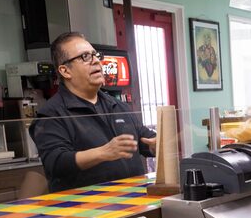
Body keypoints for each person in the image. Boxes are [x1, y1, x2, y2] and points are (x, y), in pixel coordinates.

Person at [30, 32, 156, 192]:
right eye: (85, 57)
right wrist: (104, 152)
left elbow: (144, 139)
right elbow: (56, 162)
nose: (96, 60)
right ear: (65, 71)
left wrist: (158, 143)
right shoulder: (51, 114)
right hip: (85, 209)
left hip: (133, 201)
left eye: (95, 55)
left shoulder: (117, 105)